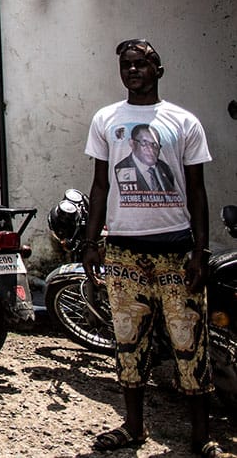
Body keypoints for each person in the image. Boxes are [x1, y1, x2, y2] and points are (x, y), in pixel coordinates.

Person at [81, 39, 214, 456]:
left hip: (175, 250)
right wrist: (91, 242)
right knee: (128, 344)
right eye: (127, 65)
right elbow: (100, 185)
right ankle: (134, 429)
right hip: (123, 253)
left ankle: (200, 438)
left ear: (159, 69)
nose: (134, 70)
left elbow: (197, 190)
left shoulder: (184, 122)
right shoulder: (106, 119)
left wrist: (200, 250)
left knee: (190, 345)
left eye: (141, 64)